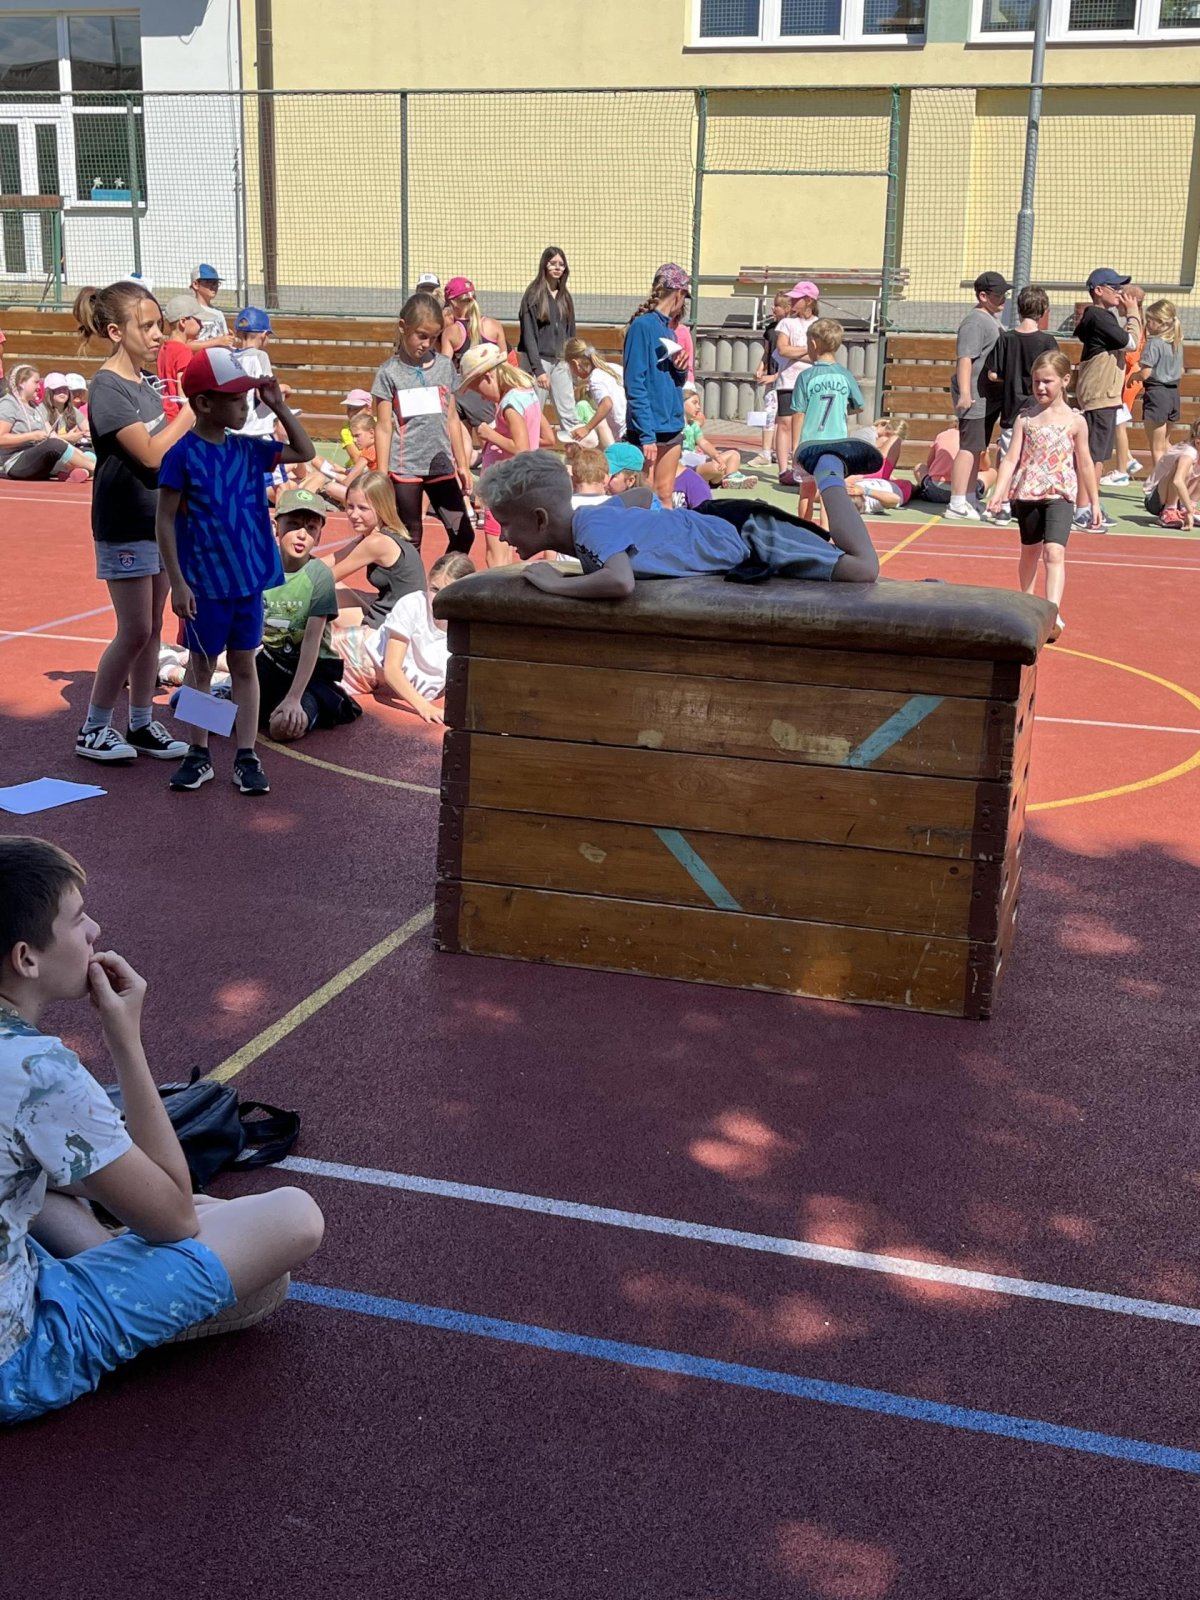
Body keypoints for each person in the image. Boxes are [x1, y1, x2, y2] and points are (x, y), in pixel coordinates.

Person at [0, 836, 324, 1426]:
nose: (94, 930)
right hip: (15, 1360)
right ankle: (135, 1304)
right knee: (293, 1219)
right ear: (26, 959)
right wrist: (126, 1039)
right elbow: (174, 1218)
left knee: (45, 1181)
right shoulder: (37, 1071)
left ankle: (119, 1263)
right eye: (77, 919)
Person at [156, 348, 314, 795]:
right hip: (205, 584)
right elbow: (164, 520)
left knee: (244, 664)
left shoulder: (248, 449)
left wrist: (278, 405)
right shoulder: (182, 455)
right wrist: (178, 582)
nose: (245, 407)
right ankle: (199, 752)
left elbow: (304, 450)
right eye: (235, 399)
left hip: (247, 582)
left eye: (246, 398)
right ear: (204, 403)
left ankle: (246, 754)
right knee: (201, 668)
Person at [476, 445, 880, 597]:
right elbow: (641, 497)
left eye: (506, 524)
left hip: (747, 532)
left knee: (862, 568)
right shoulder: (597, 519)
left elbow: (619, 582)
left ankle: (828, 468)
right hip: (724, 527)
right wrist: (657, 532)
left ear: (540, 518)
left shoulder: (592, 529)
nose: (503, 536)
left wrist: (555, 583)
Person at [73, 282, 196, 764]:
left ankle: (141, 722)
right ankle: (93, 728)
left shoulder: (145, 385)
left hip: (157, 524)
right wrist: (190, 414)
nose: (157, 335)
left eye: (158, 325)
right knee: (134, 629)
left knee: (153, 629)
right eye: (145, 326)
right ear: (114, 332)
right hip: (123, 523)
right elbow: (148, 455)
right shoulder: (107, 387)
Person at [988, 350, 1100, 637]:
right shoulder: (1026, 419)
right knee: (1030, 551)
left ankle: (1052, 612)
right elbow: (1010, 459)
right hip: (1028, 492)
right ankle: (1027, 602)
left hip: (1060, 494)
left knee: (1054, 551)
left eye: (1047, 381)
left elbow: (1085, 462)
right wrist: (999, 492)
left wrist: (1094, 502)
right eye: (1036, 381)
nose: (1040, 387)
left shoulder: (1076, 421)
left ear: (1065, 380)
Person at [372, 290, 474, 556]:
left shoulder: (444, 367)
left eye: (434, 337)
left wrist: (462, 464)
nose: (427, 344)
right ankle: (405, 583)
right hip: (405, 469)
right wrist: (382, 474)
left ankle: (443, 579)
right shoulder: (389, 373)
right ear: (403, 327)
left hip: (440, 467)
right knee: (410, 539)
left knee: (463, 533)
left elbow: (451, 417)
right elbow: (383, 426)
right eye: (421, 336)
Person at [257, 488, 363, 741]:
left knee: (281, 728)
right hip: (267, 665)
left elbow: (311, 642)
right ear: (276, 527)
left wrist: (294, 698)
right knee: (189, 706)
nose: (302, 535)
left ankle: (308, 706)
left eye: (311, 528)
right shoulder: (259, 568)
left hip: (308, 675)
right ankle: (176, 671)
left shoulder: (319, 576)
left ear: (319, 534)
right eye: (293, 525)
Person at [335, 551, 476, 721]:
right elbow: (392, 669)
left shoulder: (467, 623)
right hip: (350, 659)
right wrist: (424, 707)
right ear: (428, 582)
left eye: (448, 592)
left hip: (374, 682)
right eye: (434, 589)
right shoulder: (413, 605)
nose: (438, 598)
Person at [458, 342, 543, 568]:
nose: (483, 398)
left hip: (503, 486)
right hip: (515, 482)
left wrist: (490, 435)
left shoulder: (510, 403)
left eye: (478, 390)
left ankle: (497, 589)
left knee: (495, 555)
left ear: (488, 377)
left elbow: (521, 447)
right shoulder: (527, 394)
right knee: (505, 551)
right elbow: (543, 437)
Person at [1072, 267, 1143, 530]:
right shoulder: (1099, 317)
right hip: (1100, 396)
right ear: (1099, 290)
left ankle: (1090, 504)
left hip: (1104, 396)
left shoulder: (1103, 318)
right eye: (1115, 288)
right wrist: (1133, 313)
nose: (1120, 293)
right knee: (1093, 456)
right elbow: (1131, 342)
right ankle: (1083, 508)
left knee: (1098, 455)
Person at [981, 284, 1058, 524]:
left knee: (1008, 458)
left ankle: (1003, 505)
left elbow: (993, 374)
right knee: (1038, 459)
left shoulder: (1006, 338)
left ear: (1019, 308)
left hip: (1012, 408)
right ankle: (1034, 503)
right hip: (1040, 410)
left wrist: (1011, 377)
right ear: (1043, 310)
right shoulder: (1047, 341)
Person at [623, 264, 690, 509]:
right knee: (644, 498)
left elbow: (674, 382)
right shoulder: (642, 327)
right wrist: (647, 435)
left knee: (665, 494)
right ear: (679, 294)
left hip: (671, 425)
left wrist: (680, 368)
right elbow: (635, 383)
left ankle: (666, 534)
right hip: (648, 428)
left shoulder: (669, 331)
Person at [946, 271, 1009, 522]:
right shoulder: (974, 322)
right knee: (968, 448)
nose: (1003, 299)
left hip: (987, 397)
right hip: (975, 396)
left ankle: (969, 497)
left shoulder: (990, 319)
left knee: (977, 448)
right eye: (998, 295)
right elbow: (965, 358)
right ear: (983, 296)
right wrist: (965, 393)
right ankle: (956, 502)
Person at [326, 471, 426, 627]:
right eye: (350, 506)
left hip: (394, 627)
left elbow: (325, 579)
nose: (354, 514)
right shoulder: (380, 535)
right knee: (333, 589)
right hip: (398, 618)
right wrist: (296, 568)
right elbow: (334, 559)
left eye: (363, 508)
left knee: (320, 595)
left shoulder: (377, 543)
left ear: (382, 508)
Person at [791, 319, 865, 517]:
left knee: (806, 492)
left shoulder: (806, 376)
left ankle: (804, 529)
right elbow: (859, 405)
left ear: (813, 344)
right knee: (828, 492)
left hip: (810, 443)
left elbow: (798, 413)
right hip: (836, 444)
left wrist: (795, 445)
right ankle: (827, 530)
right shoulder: (845, 375)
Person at [518, 245, 578, 433]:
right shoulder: (533, 295)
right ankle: (529, 450)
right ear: (544, 265)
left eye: (561, 264)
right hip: (539, 362)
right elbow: (528, 335)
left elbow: (571, 332)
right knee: (533, 413)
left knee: (569, 413)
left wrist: (571, 361)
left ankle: (575, 450)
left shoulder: (565, 297)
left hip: (560, 362)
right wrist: (538, 370)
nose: (557, 267)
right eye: (553, 263)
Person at [0, 365, 87, 482]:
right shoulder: (9, 404)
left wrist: (78, 453)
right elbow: (1, 439)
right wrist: (32, 436)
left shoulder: (35, 407)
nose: (38, 387)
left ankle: (82, 471)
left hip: (38, 459)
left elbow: (54, 437)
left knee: (85, 453)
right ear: (21, 383)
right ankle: (94, 469)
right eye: (35, 382)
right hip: (16, 462)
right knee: (53, 445)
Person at [773, 280, 820, 484]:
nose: (792, 301)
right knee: (785, 423)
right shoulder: (786, 323)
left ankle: (800, 467)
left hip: (811, 382)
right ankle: (784, 470)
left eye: (797, 298)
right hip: (788, 380)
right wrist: (807, 351)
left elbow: (819, 356)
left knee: (805, 425)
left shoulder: (819, 325)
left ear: (808, 300)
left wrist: (797, 353)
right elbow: (782, 349)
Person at [1104, 284, 1147, 486]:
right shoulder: (1135, 324)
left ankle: (1122, 471)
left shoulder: (1137, 326)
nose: (1116, 303)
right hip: (1124, 381)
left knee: (1118, 425)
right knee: (1117, 424)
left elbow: (1131, 355)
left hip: (1126, 383)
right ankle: (1128, 460)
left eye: (1120, 298)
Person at [1136, 299, 1185, 469]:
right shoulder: (1176, 343)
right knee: (1165, 443)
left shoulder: (1154, 343)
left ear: (1161, 322)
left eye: (1149, 321)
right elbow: (1181, 371)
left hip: (1157, 394)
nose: (1147, 325)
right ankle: (1179, 475)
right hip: (1173, 395)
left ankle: (1160, 483)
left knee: (1157, 448)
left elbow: (1145, 373)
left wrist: (1133, 376)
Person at [749, 292, 792, 468]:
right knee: (769, 414)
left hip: (786, 380)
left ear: (787, 308)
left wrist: (774, 376)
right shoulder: (771, 329)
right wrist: (761, 367)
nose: (773, 308)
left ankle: (783, 451)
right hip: (772, 378)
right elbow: (767, 352)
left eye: (777, 305)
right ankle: (766, 452)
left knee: (785, 418)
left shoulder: (791, 328)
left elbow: (791, 359)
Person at [233, 306, 290, 438]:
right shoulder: (260, 356)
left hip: (234, 424)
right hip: (254, 427)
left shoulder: (231, 355)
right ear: (263, 335)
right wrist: (284, 388)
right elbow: (263, 393)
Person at [682, 387, 755, 487]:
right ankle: (718, 477)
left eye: (699, 404)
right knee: (716, 468)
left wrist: (717, 457)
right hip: (684, 467)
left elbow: (704, 443)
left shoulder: (693, 426)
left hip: (695, 461)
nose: (698, 407)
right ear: (681, 403)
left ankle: (729, 478)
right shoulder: (674, 425)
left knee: (734, 454)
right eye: (694, 403)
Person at [564, 338, 627, 447]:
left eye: (570, 367)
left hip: (624, 434)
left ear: (575, 363)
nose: (572, 372)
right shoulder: (613, 368)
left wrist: (586, 428)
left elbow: (607, 403)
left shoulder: (595, 379)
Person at [1142, 420, 1200, 527]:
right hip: (1155, 500)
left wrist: (1189, 508)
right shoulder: (1189, 452)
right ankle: (1169, 510)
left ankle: (1186, 508)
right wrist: (1189, 512)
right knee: (1186, 470)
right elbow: (1177, 481)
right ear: (1198, 443)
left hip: (1178, 498)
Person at [157, 294, 205, 419]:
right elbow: (183, 391)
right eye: (198, 320)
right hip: (178, 417)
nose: (202, 325)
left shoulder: (164, 347)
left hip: (165, 415)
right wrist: (192, 418)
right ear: (183, 322)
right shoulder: (183, 351)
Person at [39, 371, 95, 477]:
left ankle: (80, 471)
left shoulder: (72, 410)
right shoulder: (40, 410)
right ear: (49, 392)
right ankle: (83, 470)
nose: (62, 392)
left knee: (91, 454)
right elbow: (42, 438)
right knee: (68, 459)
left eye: (65, 389)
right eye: (57, 389)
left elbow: (88, 430)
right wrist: (68, 437)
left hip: (73, 452)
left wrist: (84, 435)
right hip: (53, 453)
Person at [190, 262, 230, 344]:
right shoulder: (189, 311)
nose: (214, 286)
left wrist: (229, 339)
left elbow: (224, 339)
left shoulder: (218, 314)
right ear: (196, 284)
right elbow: (187, 343)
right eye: (209, 282)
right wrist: (216, 342)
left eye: (216, 283)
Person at [66, 373, 90, 440]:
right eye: (73, 391)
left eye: (80, 391)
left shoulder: (89, 408)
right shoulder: (61, 409)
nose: (77, 394)